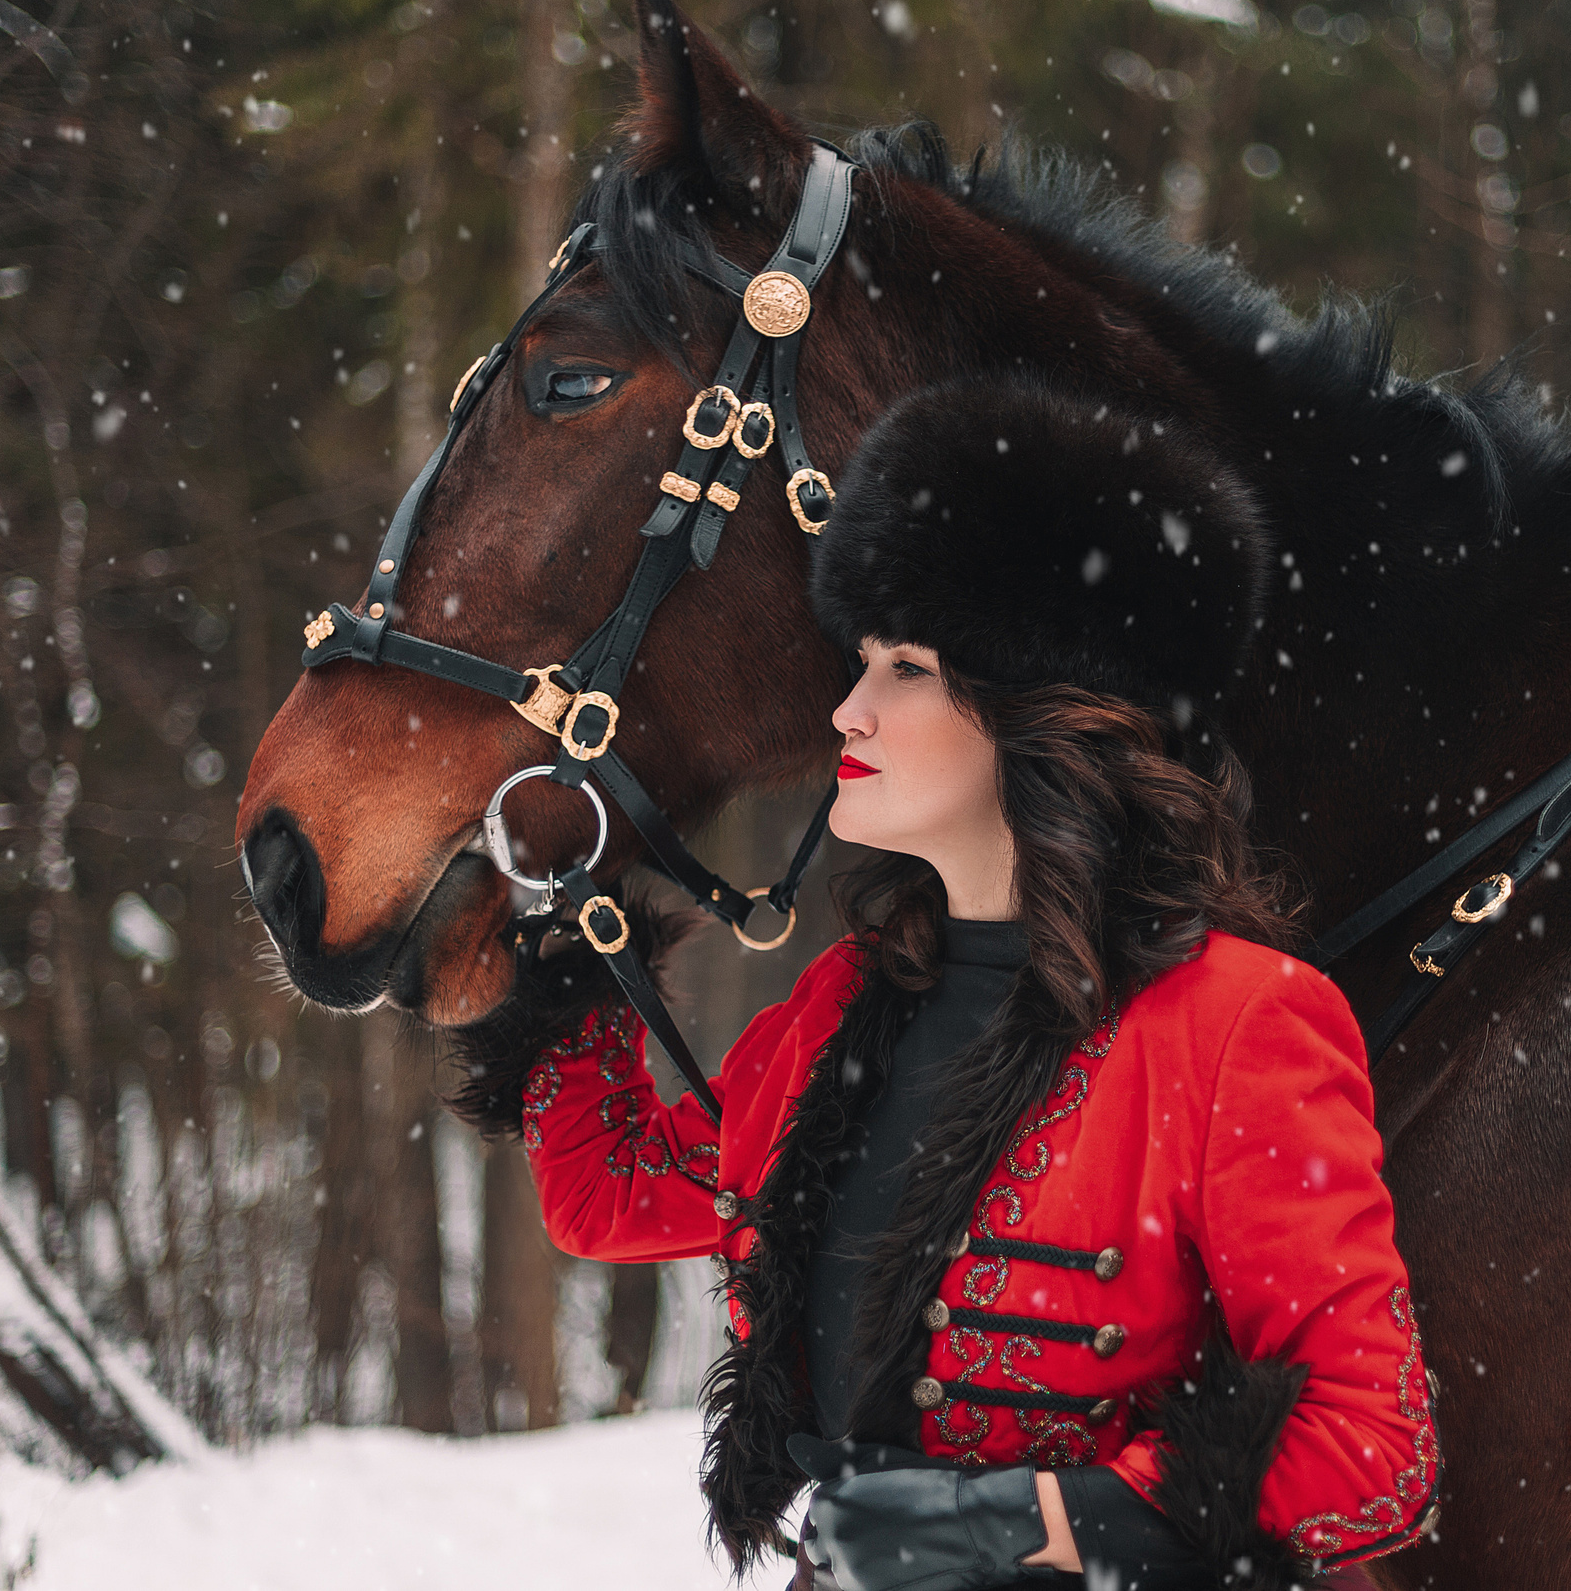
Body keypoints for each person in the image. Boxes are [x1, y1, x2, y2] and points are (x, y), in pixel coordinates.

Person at [487, 379, 1439, 1590]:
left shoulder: (1238, 1025)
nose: (849, 706)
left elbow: (1374, 1445)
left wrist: (1037, 1520)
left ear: (1041, 708)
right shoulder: (840, 1003)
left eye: (907, 668)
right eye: (862, 661)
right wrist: (553, 940)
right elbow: (612, 1192)